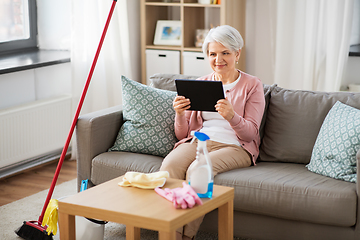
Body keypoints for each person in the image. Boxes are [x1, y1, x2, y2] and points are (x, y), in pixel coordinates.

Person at [160, 25, 265, 240]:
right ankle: (168, 231)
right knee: (169, 166)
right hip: (199, 141)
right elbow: (183, 135)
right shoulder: (201, 84)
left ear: (237, 53)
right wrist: (179, 114)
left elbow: (250, 134)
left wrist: (231, 116)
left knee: (197, 170)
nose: (219, 59)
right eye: (213, 54)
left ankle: (183, 235)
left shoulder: (252, 85)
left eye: (225, 53)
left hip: (235, 147)